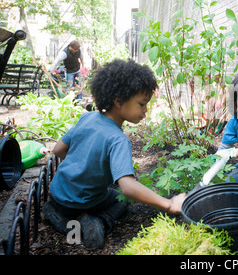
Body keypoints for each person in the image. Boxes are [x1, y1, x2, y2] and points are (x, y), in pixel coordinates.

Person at [42, 59, 186, 248]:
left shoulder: (87, 117)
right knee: (121, 199)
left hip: (57, 193)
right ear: (118, 100)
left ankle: (58, 215)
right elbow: (128, 187)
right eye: (142, 104)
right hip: (84, 202)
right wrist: (168, 203)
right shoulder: (118, 139)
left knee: (105, 194)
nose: (145, 111)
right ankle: (101, 221)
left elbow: (59, 150)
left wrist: (82, 167)